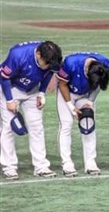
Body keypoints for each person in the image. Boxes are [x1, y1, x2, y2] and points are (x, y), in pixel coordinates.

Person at [0, 41, 63, 180]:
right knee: (9, 127)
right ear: (38, 54)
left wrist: (41, 93)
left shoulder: (52, 58)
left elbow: (49, 73)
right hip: (10, 88)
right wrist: (9, 100)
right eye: (45, 63)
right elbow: (4, 78)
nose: (46, 66)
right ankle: (9, 167)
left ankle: (41, 166)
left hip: (32, 91)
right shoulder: (17, 54)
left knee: (36, 127)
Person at [56, 51, 109, 177]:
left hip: (86, 94)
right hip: (68, 93)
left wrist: (90, 102)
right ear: (87, 71)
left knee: (88, 123)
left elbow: (98, 85)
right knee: (66, 125)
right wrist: (70, 106)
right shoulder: (71, 63)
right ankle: (67, 163)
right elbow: (62, 84)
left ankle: (90, 162)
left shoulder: (105, 64)